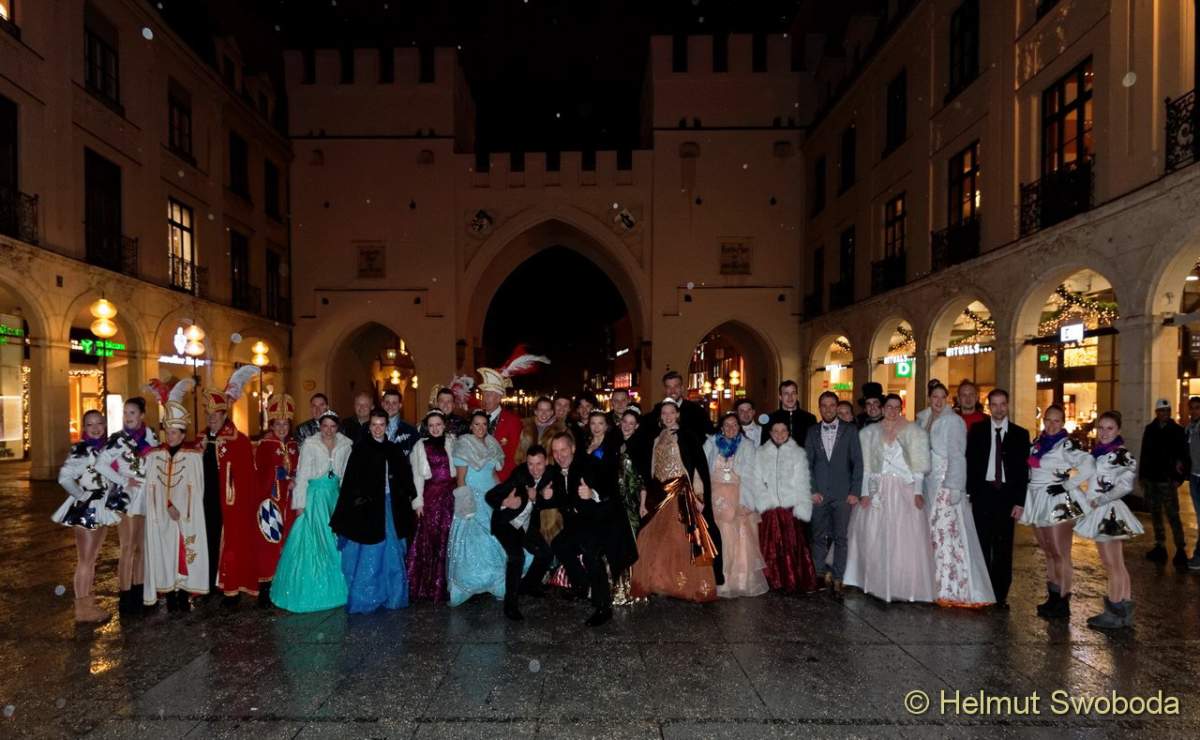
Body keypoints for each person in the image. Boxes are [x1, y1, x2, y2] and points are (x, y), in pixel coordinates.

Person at [539, 431, 637, 626]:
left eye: (564, 450)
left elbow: (610, 491)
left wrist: (592, 494)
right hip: (579, 523)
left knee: (590, 552)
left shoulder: (590, 464)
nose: (560, 455)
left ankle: (603, 607)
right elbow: (547, 497)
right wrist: (544, 494)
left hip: (602, 520)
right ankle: (581, 586)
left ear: (573, 448)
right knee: (559, 544)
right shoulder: (555, 471)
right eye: (555, 451)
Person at [845, 394, 934, 603]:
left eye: (896, 407)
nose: (892, 411)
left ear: (900, 409)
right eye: (889, 407)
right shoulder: (870, 433)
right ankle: (873, 581)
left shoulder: (913, 432)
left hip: (904, 488)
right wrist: (865, 493)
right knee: (874, 536)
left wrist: (918, 492)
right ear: (883, 409)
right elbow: (866, 467)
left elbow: (919, 465)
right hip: (878, 488)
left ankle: (901, 584)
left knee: (903, 539)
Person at [631, 399, 721, 603]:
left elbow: (697, 467)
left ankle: (683, 586)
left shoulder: (688, 436)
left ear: (677, 414)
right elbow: (652, 469)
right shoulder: (657, 437)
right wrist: (647, 497)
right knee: (653, 538)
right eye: (664, 413)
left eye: (671, 413)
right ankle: (660, 583)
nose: (668, 417)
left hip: (680, 492)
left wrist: (699, 496)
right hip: (659, 494)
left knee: (680, 540)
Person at [916, 381, 994, 608]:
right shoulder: (922, 419)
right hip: (928, 483)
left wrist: (954, 486)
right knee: (931, 533)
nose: (938, 401)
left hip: (945, 483)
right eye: (935, 396)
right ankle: (930, 584)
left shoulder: (953, 421)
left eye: (943, 397)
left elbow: (958, 456)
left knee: (947, 533)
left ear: (948, 399)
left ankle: (951, 587)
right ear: (929, 398)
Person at [332, 408, 416, 613]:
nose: (378, 429)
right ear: (369, 426)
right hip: (368, 510)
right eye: (374, 425)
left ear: (387, 426)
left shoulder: (393, 449)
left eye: (381, 425)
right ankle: (366, 598)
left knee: (393, 552)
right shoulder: (361, 449)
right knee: (370, 553)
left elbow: (405, 478)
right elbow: (351, 482)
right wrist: (356, 504)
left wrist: (409, 497)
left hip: (391, 507)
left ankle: (393, 596)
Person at [271, 411, 352, 613]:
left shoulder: (346, 445)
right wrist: (300, 505)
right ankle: (314, 589)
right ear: (319, 426)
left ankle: (337, 588)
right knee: (318, 539)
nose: (328, 430)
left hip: (334, 497)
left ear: (337, 427)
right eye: (325, 426)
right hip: (315, 498)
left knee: (335, 540)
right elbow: (302, 474)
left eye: (332, 426)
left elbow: (346, 475)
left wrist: (346, 502)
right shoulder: (310, 444)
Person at [1019, 404, 1093, 619]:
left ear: (1063, 422)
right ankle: (1053, 597)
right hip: (1037, 499)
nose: (1051, 425)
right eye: (1048, 420)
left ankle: (1063, 600)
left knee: (1061, 553)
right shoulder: (1038, 443)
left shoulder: (1066, 445)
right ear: (1043, 420)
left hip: (1057, 500)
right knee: (1049, 551)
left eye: (1056, 421)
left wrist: (1067, 485)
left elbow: (1089, 465)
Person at [141, 379, 207, 612]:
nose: (170, 437)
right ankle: (169, 593)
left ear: (182, 433)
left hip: (186, 516)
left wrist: (182, 508)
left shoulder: (193, 457)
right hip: (163, 515)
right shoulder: (155, 456)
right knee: (165, 551)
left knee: (184, 552)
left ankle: (184, 593)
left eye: (174, 433)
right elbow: (152, 486)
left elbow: (196, 489)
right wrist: (167, 504)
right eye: (167, 432)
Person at [198, 366, 262, 604]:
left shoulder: (239, 440)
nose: (211, 419)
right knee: (208, 540)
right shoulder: (201, 439)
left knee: (231, 543)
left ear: (224, 414)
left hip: (231, 502)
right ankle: (208, 585)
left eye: (216, 415)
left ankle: (230, 586)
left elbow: (246, 476)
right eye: (208, 415)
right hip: (207, 499)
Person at [1075, 411, 1141, 629]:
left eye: (1109, 428)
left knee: (1112, 563)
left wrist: (1100, 500)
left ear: (1118, 430)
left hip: (1107, 511)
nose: (1104, 432)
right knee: (1116, 562)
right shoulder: (1101, 452)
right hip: (1103, 508)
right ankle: (1123, 609)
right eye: (1101, 428)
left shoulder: (1120, 454)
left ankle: (1114, 610)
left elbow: (1126, 485)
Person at [965, 388, 1031, 608]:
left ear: (1008, 405)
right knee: (982, 545)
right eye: (994, 404)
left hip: (1006, 497)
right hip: (983, 494)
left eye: (1003, 404)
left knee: (1003, 548)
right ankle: (983, 591)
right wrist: (969, 493)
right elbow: (970, 463)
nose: (999, 409)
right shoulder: (977, 430)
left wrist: (1020, 501)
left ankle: (1000, 594)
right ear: (989, 407)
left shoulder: (1020, 434)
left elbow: (1022, 472)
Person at [53, 410, 120, 623]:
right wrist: (81, 495)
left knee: (91, 559)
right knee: (86, 560)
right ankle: (83, 610)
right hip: (88, 508)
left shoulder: (104, 448)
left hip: (100, 506)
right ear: (84, 427)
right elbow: (64, 477)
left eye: (99, 423)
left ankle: (87, 606)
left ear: (104, 425)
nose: (95, 428)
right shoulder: (81, 450)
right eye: (90, 424)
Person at [96, 395, 157, 615]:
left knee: (142, 548)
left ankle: (139, 594)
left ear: (142, 415)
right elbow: (100, 464)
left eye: (132, 413)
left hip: (146, 497)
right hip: (128, 498)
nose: (128, 417)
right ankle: (125, 598)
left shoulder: (150, 437)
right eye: (125, 413)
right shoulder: (118, 439)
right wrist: (123, 481)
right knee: (128, 548)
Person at [447, 410, 512, 606]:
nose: (481, 428)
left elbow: (493, 474)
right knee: (473, 543)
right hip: (472, 500)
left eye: (484, 424)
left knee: (495, 541)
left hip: (490, 498)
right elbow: (460, 479)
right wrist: (466, 506)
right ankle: (468, 585)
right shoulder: (464, 444)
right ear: (471, 426)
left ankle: (495, 583)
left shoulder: (492, 443)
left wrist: (503, 494)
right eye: (477, 424)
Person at [485, 444, 555, 621]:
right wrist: (505, 502)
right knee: (517, 557)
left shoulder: (550, 475)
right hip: (506, 523)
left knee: (546, 554)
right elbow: (490, 496)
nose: (535, 469)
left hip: (525, 525)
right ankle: (510, 605)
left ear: (546, 462)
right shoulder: (519, 476)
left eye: (539, 464)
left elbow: (550, 498)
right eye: (530, 464)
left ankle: (528, 586)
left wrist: (539, 497)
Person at [805, 391, 864, 598]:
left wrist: (855, 491)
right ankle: (819, 575)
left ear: (837, 407)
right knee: (818, 536)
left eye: (832, 405)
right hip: (819, 494)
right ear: (819, 408)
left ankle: (839, 578)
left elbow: (858, 463)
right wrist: (812, 490)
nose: (828, 409)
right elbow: (807, 464)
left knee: (841, 537)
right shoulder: (812, 431)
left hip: (843, 494)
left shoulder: (850, 430)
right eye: (824, 405)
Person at [704, 413, 768, 598]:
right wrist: (700, 494)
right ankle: (717, 580)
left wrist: (747, 501)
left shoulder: (747, 446)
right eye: (727, 425)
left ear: (739, 428)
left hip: (738, 495)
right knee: (718, 536)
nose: (731, 428)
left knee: (740, 540)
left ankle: (737, 582)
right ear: (721, 427)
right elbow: (701, 470)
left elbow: (753, 475)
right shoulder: (711, 444)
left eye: (734, 425)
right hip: (715, 496)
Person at [750, 420, 817, 594]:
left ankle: (791, 579)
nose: (779, 434)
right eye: (776, 431)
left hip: (789, 507)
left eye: (783, 431)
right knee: (769, 546)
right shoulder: (760, 453)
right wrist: (765, 500)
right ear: (770, 433)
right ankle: (771, 580)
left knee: (792, 545)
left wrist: (800, 504)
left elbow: (802, 481)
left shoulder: (798, 453)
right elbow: (755, 480)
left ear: (788, 432)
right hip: (769, 508)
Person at [254, 394, 300, 606]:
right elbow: (260, 471)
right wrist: (282, 478)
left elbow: (298, 468)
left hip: (289, 503)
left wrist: (294, 478)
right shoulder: (265, 444)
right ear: (271, 425)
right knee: (269, 542)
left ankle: (284, 585)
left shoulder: (293, 444)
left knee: (287, 541)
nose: (282, 428)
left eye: (285, 424)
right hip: (270, 501)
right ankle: (265, 588)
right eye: (278, 424)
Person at [408, 410, 458, 602]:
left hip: (450, 497)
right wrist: (418, 502)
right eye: (431, 425)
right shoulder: (421, 446)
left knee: (449, 538)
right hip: (431, 498)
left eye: (438, 425)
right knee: (430, 539)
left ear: (444, 425)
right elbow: (417, 477)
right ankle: (428, 586)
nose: (435, 428)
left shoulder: (452, 443)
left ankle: (447, 584)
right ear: (426, 428)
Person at [1140, 398, 1190, 569]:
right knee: (1155, 513)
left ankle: (1180, 549)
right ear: (1157, 412)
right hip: (1152, 479)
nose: (1164, 414)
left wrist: (1179, 478)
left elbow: (1183, 456)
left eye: (1167, 410)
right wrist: (1143, 476)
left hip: (1167, 480)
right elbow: (1145, 454)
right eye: (1162, 411)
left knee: (1173, 515)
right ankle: (1160, 546)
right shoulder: (1150, 429)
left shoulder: (1178, 431)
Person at [516, 395, 566, 466]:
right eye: (541, 410)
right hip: (528, 468)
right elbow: (520, 451)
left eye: (547, 410)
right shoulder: (525, 427)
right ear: (535, 411)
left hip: (549, 468)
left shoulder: (559, 430)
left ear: (552, 412)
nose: (544, 413)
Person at [764, 380, 817, 446]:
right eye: (786, 394)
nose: (790, 397)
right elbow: (765, 447)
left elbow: (815, 445)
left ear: (797, 395)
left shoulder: (810, 419)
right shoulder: (770, 420)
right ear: (780, 397)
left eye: (793, 393)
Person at [382, 388, 420, 456]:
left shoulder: (411, 430)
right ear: (382, 404)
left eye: (394, 403)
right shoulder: (370, 428)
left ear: (400, 405)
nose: (390, 406)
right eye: (387, 402)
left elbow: (416, 456)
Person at [1185, 396, 1200, 570]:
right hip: (1194, 477)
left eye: (1197, 408)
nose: (1194, 411)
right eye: (1192, 408)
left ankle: (1198, 557)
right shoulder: (1189, 428)